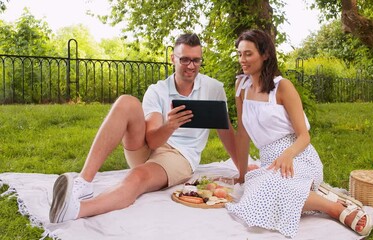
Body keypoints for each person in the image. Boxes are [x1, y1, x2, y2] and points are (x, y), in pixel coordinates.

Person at [49, 33, 237, 223]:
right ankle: (84, 183)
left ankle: (75, 210)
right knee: (126, 102)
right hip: (151, 145)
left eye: (196, 60)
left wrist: (243, 169)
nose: (191, 66)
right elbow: (153, 140)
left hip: (180, 157)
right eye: (185, 59)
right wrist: (170, 125)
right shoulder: (157, 90)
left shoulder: (213, 88)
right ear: (173, 58)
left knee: (137, 176)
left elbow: (225, 130)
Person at [225, 29, 373, 238]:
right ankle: (313, 195)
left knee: (267, 188)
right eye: (240, 54)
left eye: (248, 54)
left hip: (298, 156)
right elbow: (242, 133)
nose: (242, 59)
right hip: (270, 160)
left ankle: (333, 208)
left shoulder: (283, 87)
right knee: (253, 187)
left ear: (265, 54)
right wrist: (241, 174)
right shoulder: (241, 85)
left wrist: (287, 154)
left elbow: (304, 136)